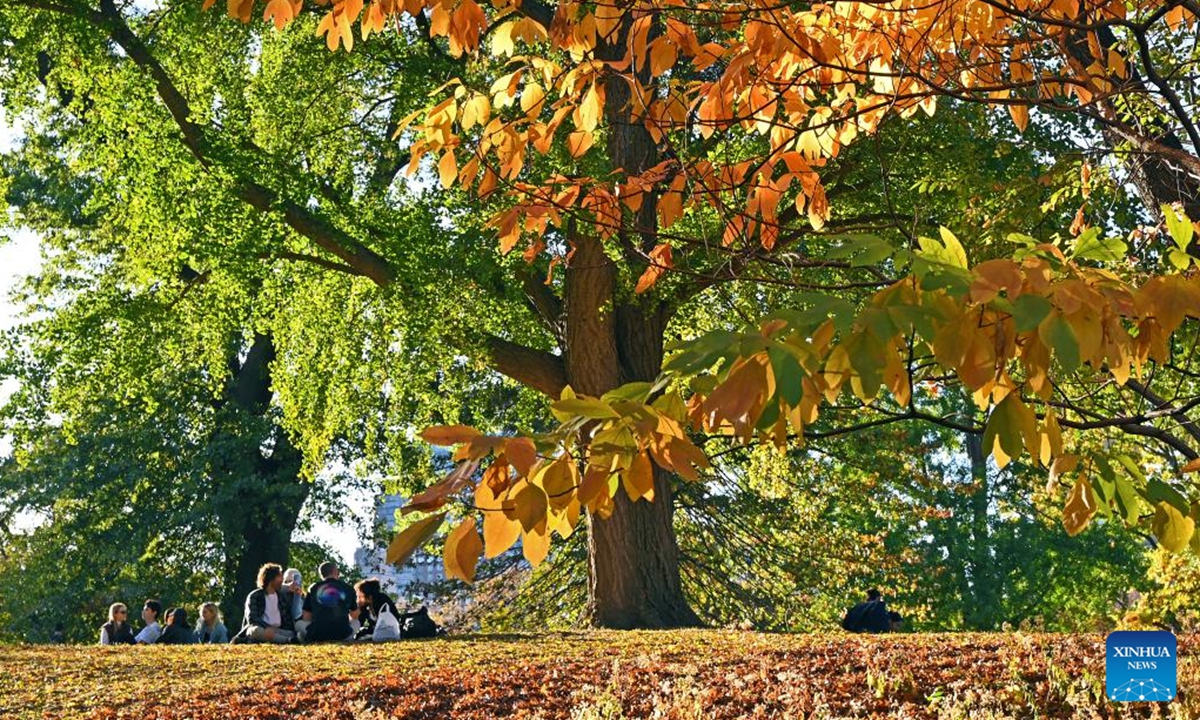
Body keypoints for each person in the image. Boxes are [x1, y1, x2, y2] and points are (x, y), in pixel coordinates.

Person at [234, 563, 295, 644]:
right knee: (255, 631)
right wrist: (267, 628)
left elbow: (287, 619)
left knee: (290, 633)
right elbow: (252, 618)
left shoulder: (281, 597)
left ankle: (284, 638)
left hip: (277, 630)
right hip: (261, 628)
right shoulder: (255, 596)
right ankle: (288, 640)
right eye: (279, 576)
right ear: (271, 578)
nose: (282, 580)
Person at [299, 560, 358, 643]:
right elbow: (354, 615)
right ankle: (349, 637)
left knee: (298, 624)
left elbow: (306, 616)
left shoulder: (314, 588)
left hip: (318, 634)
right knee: (356, 622)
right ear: (335, 571)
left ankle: (307, 636)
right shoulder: (348, 588)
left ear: (321, 574)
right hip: (342, 634)